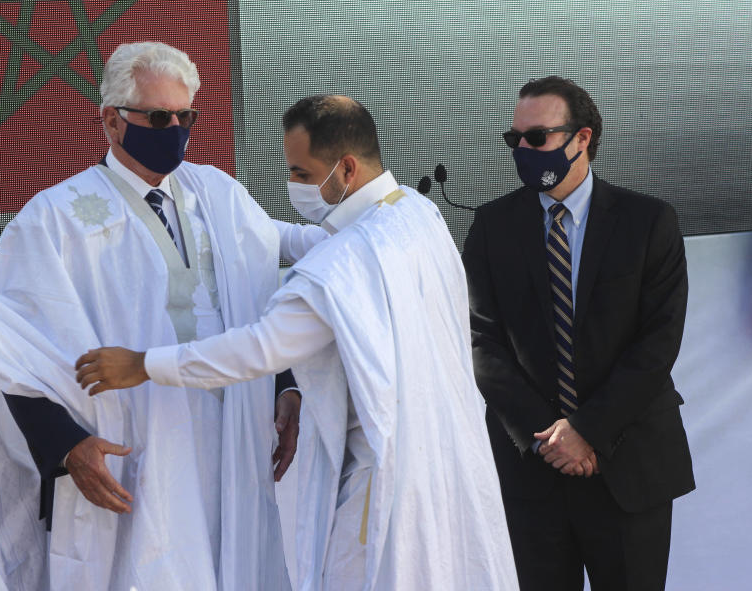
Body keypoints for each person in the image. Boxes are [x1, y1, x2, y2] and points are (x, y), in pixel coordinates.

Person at [0, 41, 321, 590]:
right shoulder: (55, 217)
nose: (173, 128)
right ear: (111, 121)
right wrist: (65, 444)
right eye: (156, 116)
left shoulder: (217, 193)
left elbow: (257, 292)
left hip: (233, 442)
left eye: (183, 115)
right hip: (131, 454)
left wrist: (285, 388)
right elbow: (2, 342)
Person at [73, 94, 520, 590]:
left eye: (302, 174)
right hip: (447, 459)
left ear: (345, 169)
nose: (294, 186)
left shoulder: (337, 269)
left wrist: (144, 364)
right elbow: (290, 238)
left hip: (384, 481)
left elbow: (258, 349)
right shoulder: (415, 215)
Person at [460, 76, 695, 590]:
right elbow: (482, 341)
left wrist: (586, 430)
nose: (523, 149)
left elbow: (657, 342)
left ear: (582, 138)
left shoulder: (648, 221)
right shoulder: (491, 226)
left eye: (536, 137)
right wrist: (549, 437)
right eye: (514, 139)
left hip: (629, 466)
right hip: (532, 471)